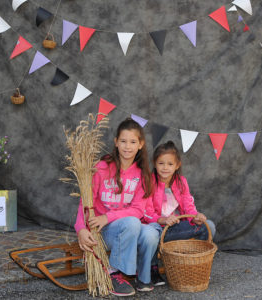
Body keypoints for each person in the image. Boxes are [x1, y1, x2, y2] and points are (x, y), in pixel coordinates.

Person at [75, 118, 159, 296]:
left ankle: (142, 277)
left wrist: (108, 216)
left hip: (126, 229)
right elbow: (85, 202)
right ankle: (113, 273)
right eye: (123, 141)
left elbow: (137, 210)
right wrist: (81, 229)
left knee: (151, 233)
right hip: (103, 230)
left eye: (133, 142)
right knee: (132, 223)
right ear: (116, 142)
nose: (127, 146)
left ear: (140, 144)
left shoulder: (142, 174)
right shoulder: (102, 168)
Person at [143, 141, 216, 286]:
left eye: (170, 164)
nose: (165, 168)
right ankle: (153, 268)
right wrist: (163, 220)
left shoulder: (181, 182)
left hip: (176, 228)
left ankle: (190, 262)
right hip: (157, 227)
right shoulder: (148, 182)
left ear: (177, 165)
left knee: (209, 226)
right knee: (151, 235)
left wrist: (195, 217)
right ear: (154, 163)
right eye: (161, 163)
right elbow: (147, 212)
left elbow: (188, 205)